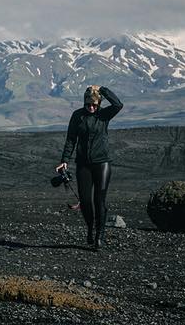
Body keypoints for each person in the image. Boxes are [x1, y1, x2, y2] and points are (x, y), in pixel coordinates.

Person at [55, 84, 124, 250]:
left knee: (99, 200)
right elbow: (71, 139)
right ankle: (90, 229)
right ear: (84, 103)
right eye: (88, 104)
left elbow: (118, 105)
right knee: (85, 201)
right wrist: (65, 159)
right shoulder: (77, 116)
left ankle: (99, 236)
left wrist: (103, 90)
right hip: (83, 164)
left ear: (98, 103)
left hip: (102, 163)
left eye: (94, 104)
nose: (91, 107)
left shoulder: (104, 114)